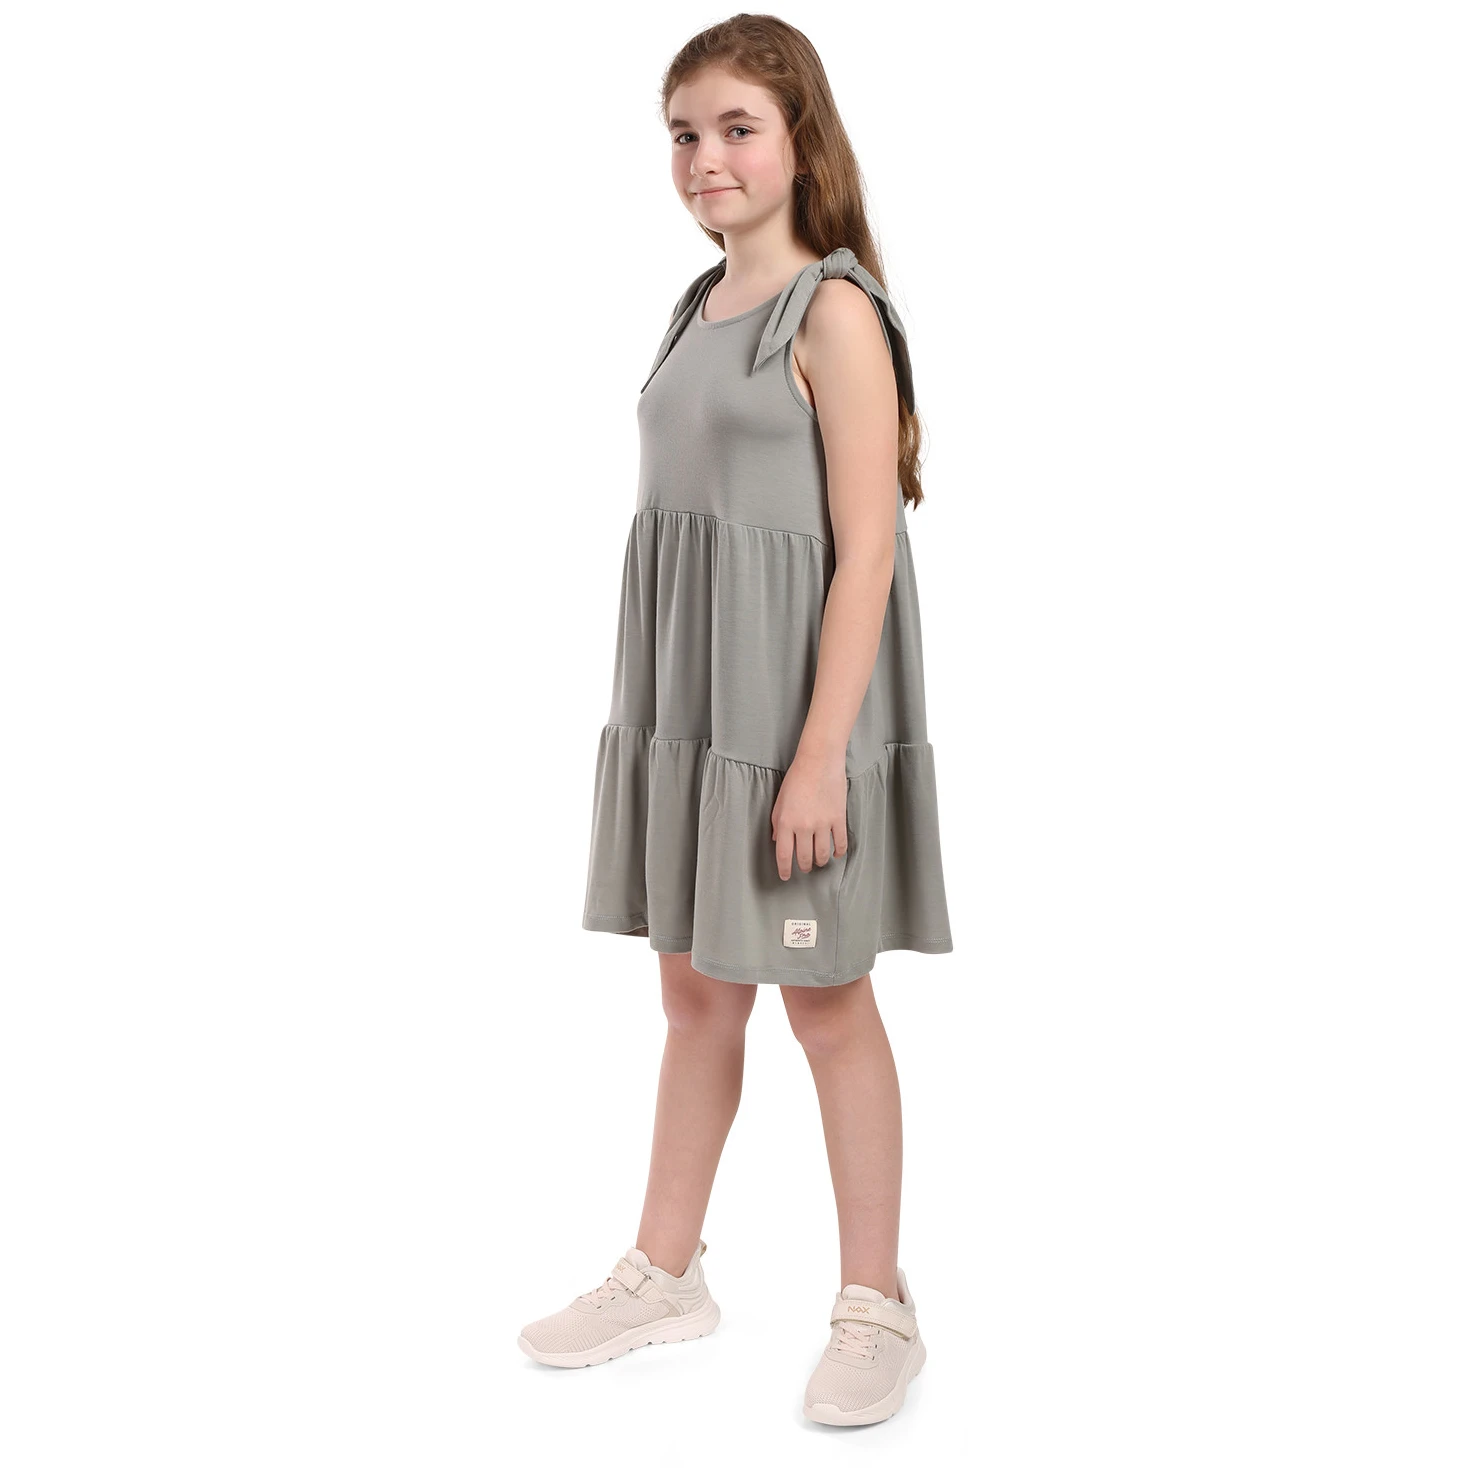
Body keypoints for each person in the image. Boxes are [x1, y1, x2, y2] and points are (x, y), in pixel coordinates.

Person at [518, 15, 952, 1426]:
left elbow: (866, 553)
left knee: (827, 1003)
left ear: (800, 140)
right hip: (692, 714)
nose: (706, 158)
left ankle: (878, 1304)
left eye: (737, 129)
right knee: (697, 993)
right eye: (684, 134)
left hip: (792, 722)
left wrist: (819, 756)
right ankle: (667, 1270)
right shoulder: (696, 302)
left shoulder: (833, 311)